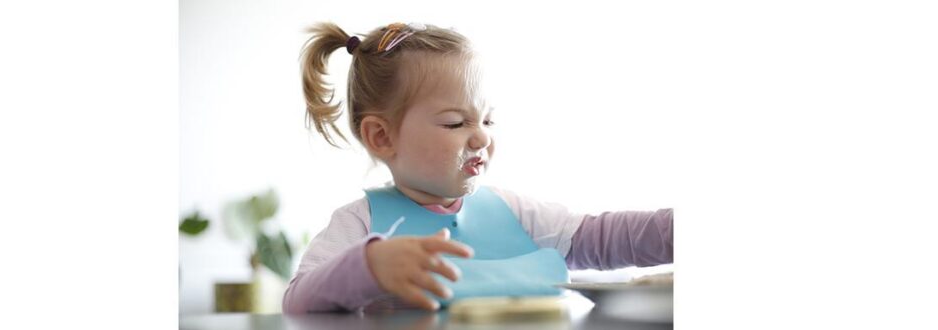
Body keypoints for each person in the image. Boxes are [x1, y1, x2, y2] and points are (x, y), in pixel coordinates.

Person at [284, 22, 673, 313]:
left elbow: (601, 239)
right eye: (456, 123)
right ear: (382, 137)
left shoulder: (515, 212)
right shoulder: (361, 224)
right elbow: (297, 301)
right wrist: (369, 266)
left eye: (487, 120)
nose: (482, 138)